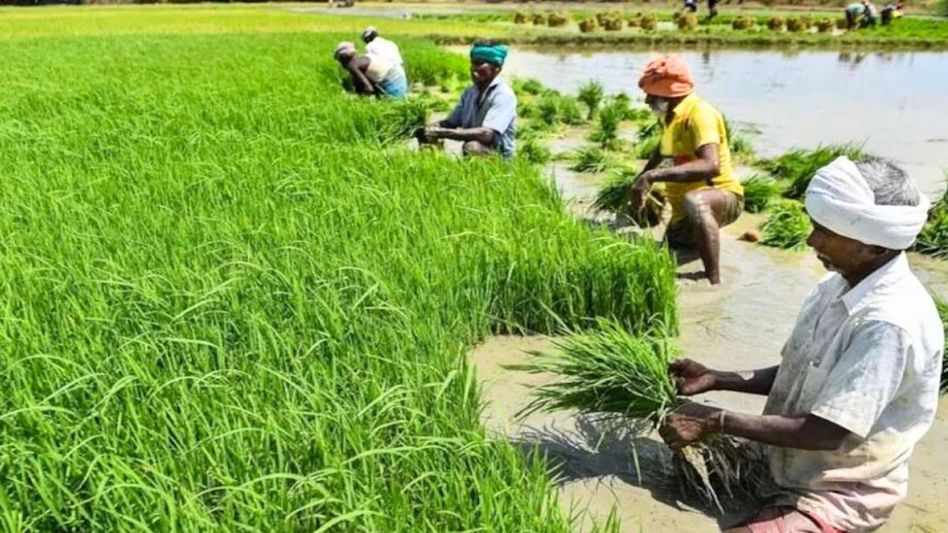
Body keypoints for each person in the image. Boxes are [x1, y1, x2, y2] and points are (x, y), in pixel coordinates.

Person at [659, 156, 941, 533]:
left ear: (875, 246)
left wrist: (716, 420)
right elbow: (802, 373)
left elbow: (827, 432)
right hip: (778, 462)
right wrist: (716, 378)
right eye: (814, 226)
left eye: (827, 232)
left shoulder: (888, 323)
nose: (811, 240)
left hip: (838, 487)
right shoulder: (836, 284)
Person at [631, 55, 743, 285]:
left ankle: (713, 280)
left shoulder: (699, 114)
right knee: (667, 255)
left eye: (652, 94)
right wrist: (640, 181)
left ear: (669, 93)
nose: (646, 101)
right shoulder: (670, 116)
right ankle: (705, 237)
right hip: (684, 211)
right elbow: (661, 151)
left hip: (722, 196)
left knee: (696, 201)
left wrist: (653, 176)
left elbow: (711, 166)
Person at [417, 40, 516, 159]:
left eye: (480, 64)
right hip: (478, 151)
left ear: (497, 68)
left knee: (472, 147)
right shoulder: (470, 92)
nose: (474, 69)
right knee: (427, 134)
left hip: (499, 156)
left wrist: (441, 133)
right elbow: (451, 123)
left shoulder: (503, 95)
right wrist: (429, 127)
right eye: (473, 63)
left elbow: (487, 134)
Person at [333, 41, 407, 99]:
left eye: (340, 60)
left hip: (394, 90)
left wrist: (359, 99)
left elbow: (369, 89)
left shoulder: (352, 65)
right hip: (400, 82)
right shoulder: (362, 60)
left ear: (344, 57)